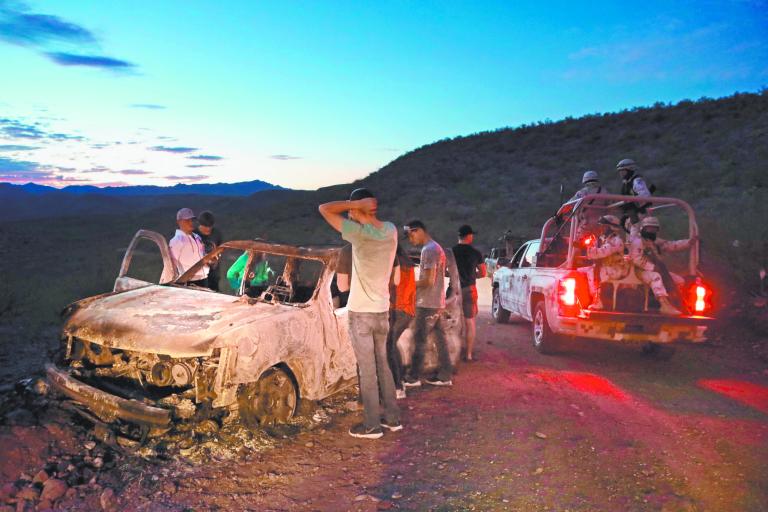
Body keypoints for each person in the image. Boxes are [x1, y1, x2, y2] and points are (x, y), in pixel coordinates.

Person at [318, 188, 400, 439]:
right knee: (382, 364)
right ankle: (393, 419)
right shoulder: (390, 230)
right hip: (382, 310)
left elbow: (324, 209)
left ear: (355, 211)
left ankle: (372, 425)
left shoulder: (358, 235)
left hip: (361, 311)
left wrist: (352, 204)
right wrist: (363, 208)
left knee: (366, 369)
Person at [403, 220, 454, 387]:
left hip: (428, 303)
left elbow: (428, 281)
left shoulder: (429, 250)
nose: (411, 240)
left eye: (410, 235)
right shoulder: (436, 248)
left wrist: (407, 283)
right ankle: (445, 375)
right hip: (436, 301)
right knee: (440, 339)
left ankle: (413, 377)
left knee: (420, 339)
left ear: (418, 231)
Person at [629, 216, 696, 315]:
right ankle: (664, 305)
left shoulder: (654, 241)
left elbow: (670, 245)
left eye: (654, 229)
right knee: (656, 277)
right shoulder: (638, 241)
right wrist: (652, 268)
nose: (652, 231)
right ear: (643, 228)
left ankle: (676, 302)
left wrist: (688, 243)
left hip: (657, 269)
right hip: (640, 271)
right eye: (649, 228)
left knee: (679, 281)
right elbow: (636, 259)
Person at [451, 225, 486, 361]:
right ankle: (469, 355)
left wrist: (454, 276)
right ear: (469, 236)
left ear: (459, 236)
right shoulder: (476, 253)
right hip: (469, 289)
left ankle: (454, 353)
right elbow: (483, 273)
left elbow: (445, 271)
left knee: (453, 321)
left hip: (454, 289)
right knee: (469, 321)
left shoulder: (451, 252)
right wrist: (472, 276)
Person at [388, 243, 416, 399]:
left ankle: (398, 387)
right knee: (392, 346)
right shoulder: (406, 262)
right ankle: (400, 382)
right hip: (406, 310)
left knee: (389, 347)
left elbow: (393, 286)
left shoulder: (397, 264)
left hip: (399, 309)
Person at [585, 215, 630, 310]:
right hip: (608, 267)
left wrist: (586, 249)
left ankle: (599, 301)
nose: (601, 228)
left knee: (598, 272)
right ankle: (591, 298)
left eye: (604, 226)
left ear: (611, 227)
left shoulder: (616, 241)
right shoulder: (604, 239)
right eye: (601, 225)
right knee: (585, 270)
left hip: (616, 269)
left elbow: (602, 252)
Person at [169, 208, 208, 286]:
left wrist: (210, 259)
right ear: (179, 222)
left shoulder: (197, 237)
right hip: (188, 282)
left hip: (204, 279)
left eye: (192, 220)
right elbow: (171, 265)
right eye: (187, 221)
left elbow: (201, 256)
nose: (191, 223)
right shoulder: (176, 241)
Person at [616, 158, 654, 228]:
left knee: (639, 236)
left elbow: (645, 195)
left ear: (630, 170)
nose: (620, 173)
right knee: (631, 236)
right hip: (633, 215)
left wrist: (629, 203)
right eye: (619, 171)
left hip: (641, 214)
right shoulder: (626, 182)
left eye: (622, 170)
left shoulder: (637, 181)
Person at [195, 211, 223, 291]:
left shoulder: (216, 233)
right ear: (200, 224)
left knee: (214, 293)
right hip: (198, 273)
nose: (208, 229)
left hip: (213, 272)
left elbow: (220, 248)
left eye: (210, 227)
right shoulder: (194, 234)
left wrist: (215, 258)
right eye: (205, 227)